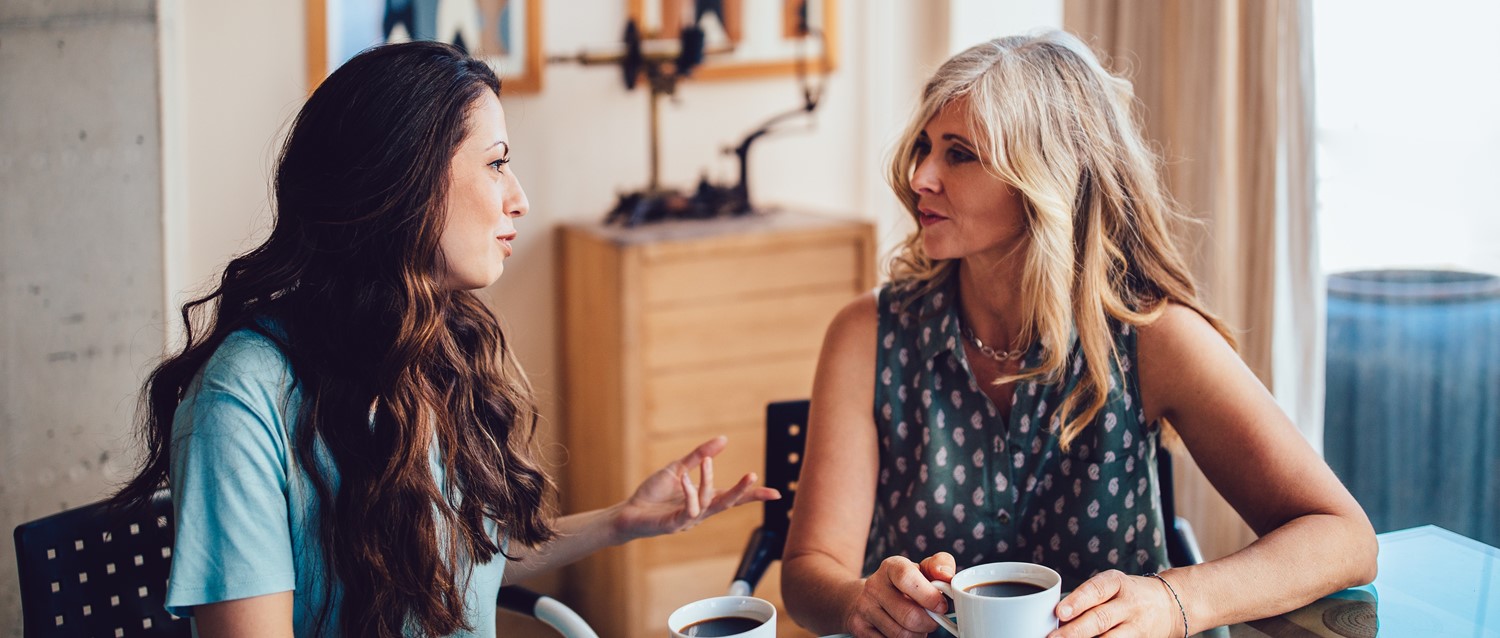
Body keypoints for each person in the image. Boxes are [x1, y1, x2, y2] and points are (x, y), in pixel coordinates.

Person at [109, 41, 778, 638]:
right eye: (496, 164)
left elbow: (451, 557)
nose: (519, 198)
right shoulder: (241, 397)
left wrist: (622, 520)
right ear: (405, 178)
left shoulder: (434, 342)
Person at [779, 31, 1377, 638]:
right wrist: (858, 600)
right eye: (924, 147)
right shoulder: (867, 336)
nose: (919, 177)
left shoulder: (1155, 339)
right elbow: (807, 574)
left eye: (958, 154)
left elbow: (1344, 538)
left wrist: (1175, 600)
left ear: (1045, 177)